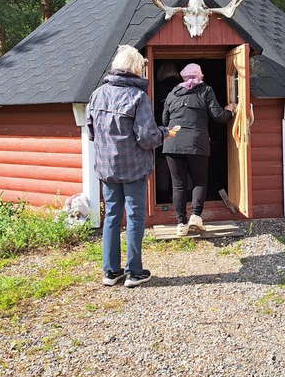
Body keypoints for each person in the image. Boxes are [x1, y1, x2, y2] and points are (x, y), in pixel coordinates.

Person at [86, 45, 176, 287]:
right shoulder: (138, 97)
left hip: (107, 168)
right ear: (136, 68)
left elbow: (91, 133)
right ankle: (134, 273)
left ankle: (110, 272)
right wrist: (164, 133)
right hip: (134, 168)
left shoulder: (97, 94)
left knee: (111, 217)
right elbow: (146, 138)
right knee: (135, 217)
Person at [162, 62, 235, 236]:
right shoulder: (206, 90)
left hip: (172, 143)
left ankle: (181, 224)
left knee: (178, 185)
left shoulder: (172, 94)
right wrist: (230, 112)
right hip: (197, 143)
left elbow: (164, 121)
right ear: (199, 76)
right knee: (199, 181)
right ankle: (195, 216)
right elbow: (218, 116)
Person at [154, 62, 181, 201]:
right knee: (182, 166)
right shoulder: (182, 86)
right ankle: (186, 196)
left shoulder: (160, 88)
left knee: (163, 166)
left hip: (165, 130)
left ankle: (163, 196)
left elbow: (160, 111)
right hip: (182, 130)